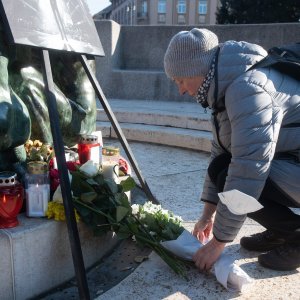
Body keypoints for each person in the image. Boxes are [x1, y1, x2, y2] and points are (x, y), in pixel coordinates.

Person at [164, 28, 300, 272]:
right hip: (294, 162)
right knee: (221, 169)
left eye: (181, 80)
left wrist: (218, 243)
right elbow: (220, 154)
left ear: (198, 69)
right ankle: (282, 230)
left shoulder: (248, 89)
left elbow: (249, 168)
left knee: (232, 176)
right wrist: (208, 214)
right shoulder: (223, 89)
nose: (181, 90)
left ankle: (296, 235)